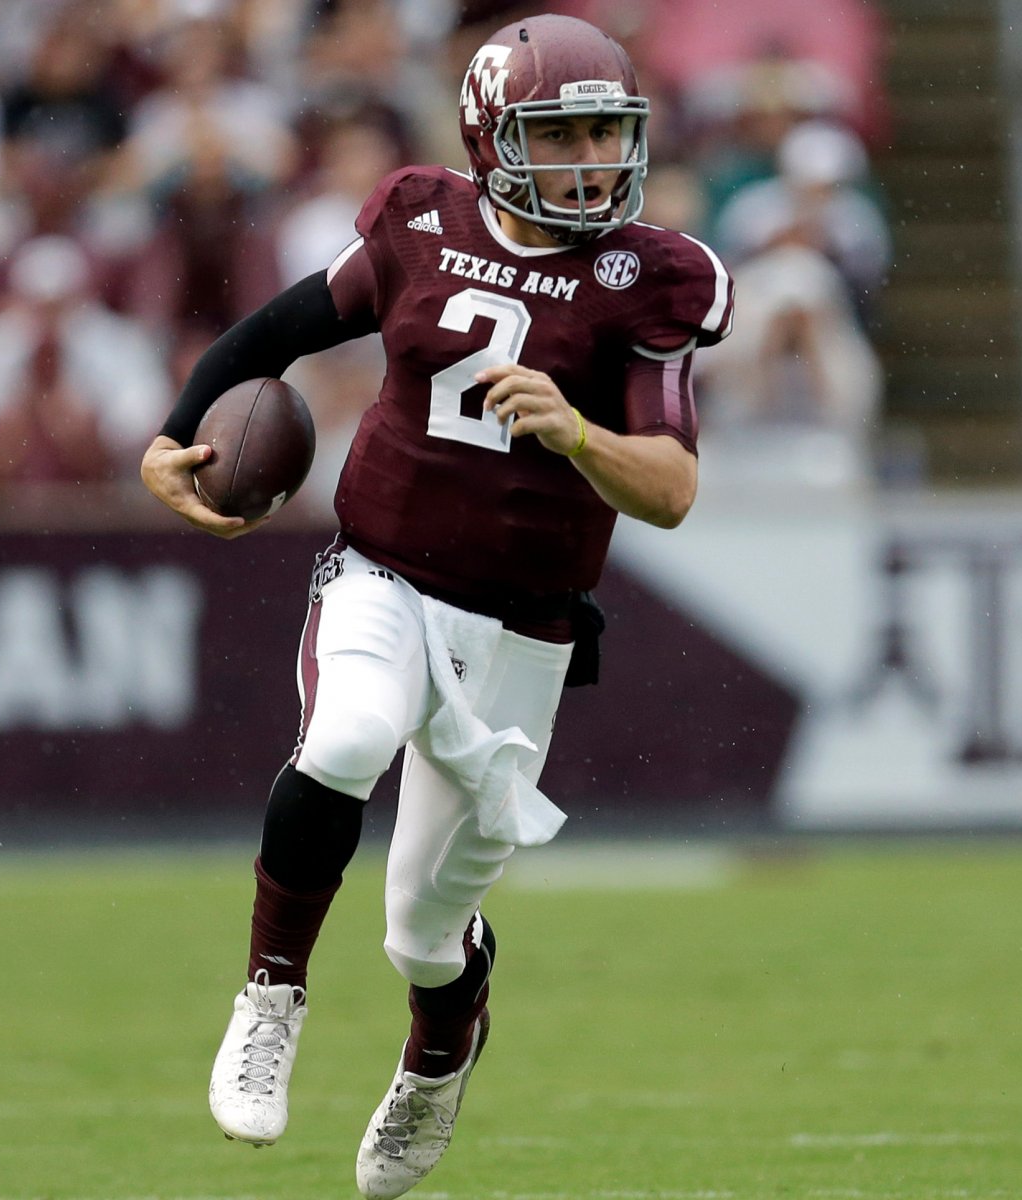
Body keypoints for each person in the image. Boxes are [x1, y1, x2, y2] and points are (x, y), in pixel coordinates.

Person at [138, 16, 732, 1199]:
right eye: (558, 137)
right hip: (385, 570)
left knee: (422, 928)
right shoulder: (421, 220)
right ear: (490, 136)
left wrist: (575, 430)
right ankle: (270, 996)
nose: (590, 163)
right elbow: (288, 328)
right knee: (349, 735)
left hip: (522, 628)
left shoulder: (647, 279)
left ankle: (441, 1046)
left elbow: (670, 491)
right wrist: (175, 430)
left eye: (606, 135)